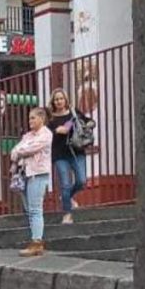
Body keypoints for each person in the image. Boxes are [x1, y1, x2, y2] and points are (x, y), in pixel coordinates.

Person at [11, 107, 54, 256]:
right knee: (29, 209)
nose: (30, 121)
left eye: (33, 118)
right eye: (29, 118)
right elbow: (14, 152)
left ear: (41, 119)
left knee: (35, 209)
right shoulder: (28, 135)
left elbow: (29, 149)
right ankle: (34, 238)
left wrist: (21, 150)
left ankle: (37, 242)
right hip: (25, 174)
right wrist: (20, 150)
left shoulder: (46, 134)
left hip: (38, 173)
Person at [47, 89, 93, 224]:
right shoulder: (50, 118)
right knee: (65, 184)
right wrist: (56, 130)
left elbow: (88, 121)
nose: (59, 101)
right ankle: (67, 214)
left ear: (66, 100)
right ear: (53, 102)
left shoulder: (74, 112)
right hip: (60, 154)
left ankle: (67, 197)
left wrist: (87, 124)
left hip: (77, 151)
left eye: (61, 98)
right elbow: (46, 133)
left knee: (81, 181)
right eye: (56, 99)